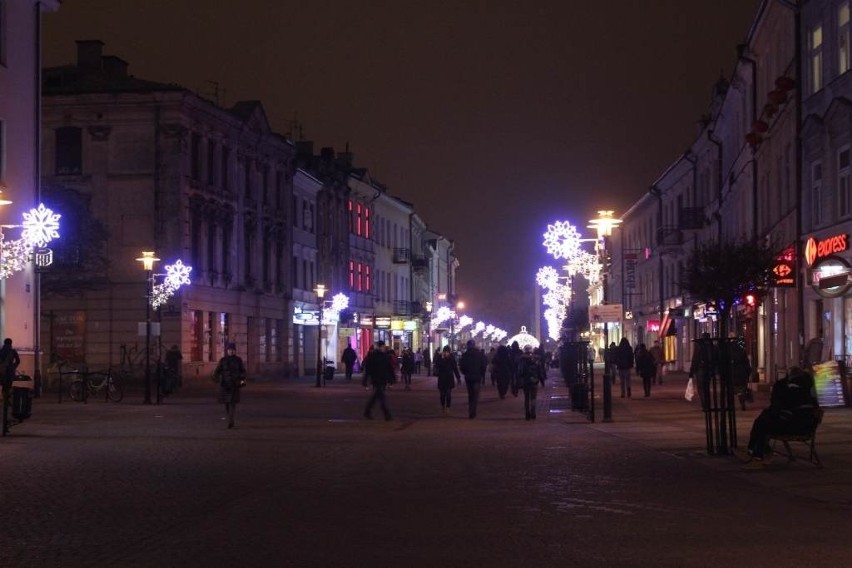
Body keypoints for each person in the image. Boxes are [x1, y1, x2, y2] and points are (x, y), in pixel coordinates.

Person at [741, 367, 820, 468]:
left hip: (795, 426)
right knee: (763, 420)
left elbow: (783, 407)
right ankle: (756, 450)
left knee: (763, 423)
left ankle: (757, 451)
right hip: (803, 425)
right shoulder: (808, 389)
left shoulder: (790, 389)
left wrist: (775, 412)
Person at [214, 343, 246, 429]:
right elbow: (217, 371)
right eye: (229, 350)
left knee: (232, 403)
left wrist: (242, 381)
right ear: (227, 351)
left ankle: (231, 420)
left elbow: (243, 371)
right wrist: (216, 379)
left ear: (235, 351)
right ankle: (230, 417)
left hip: (235, 384)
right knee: (227, 403)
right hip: (225, 384)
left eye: (232, 350)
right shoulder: (223, 360)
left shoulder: (238, 360)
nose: (231, 351)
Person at [362, 341, 395, 420]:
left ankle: (367, 411)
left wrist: (365, 380)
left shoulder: (375, 356)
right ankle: (387, 415)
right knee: (381, 396)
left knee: (377, 396)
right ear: (382, 346)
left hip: (379, 379)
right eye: (383, 346)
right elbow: (389, 369)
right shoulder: (381, 356)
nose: (383, 348)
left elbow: (389, 368)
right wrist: (392, 379)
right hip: (379, 379)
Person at [459, 339, 487, 419]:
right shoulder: (479, 354)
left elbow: (462, 366)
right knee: (475, 395)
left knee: (470, 394)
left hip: (468, 377)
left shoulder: (465, 355)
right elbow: (483, 365)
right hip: (477, 377)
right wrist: (482, 373)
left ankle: (471, 411)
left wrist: (465, 373)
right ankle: (472, 411)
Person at [689, 332, 717, 410]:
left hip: (700, 369)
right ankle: (707, 403)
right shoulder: (713, 347)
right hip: (709, 369)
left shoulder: (699, 346)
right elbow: (716, 359)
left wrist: (691, 371)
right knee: (706, 387)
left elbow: (695, 359)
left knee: (701, 388)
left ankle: (704, 404)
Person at [518, 345, 546, 420]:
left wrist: (520, 378)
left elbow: (520, 371)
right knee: (533, 397)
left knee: (526, 398)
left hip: (526, 380)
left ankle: (527, 413)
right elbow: (540, 370)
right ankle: (533, 412)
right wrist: (541, 379)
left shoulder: (522, 360)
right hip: (534, 380)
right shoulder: (536, 359)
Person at [0, 338, 21, 435]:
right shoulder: (12, 351)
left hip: (1, 373)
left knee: (3, 385)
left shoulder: (1, 351)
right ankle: (6, 398)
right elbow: (18, 361)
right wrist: (13, 367)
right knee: (7, 386)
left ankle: (4, 397)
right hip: (9, 373)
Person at [435, 345, 461, 414]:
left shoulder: (452, 359)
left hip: (449, 378)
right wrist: (441, 359)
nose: (446, 353)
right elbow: (436, 366)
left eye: (447, 352)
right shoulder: (440, 358)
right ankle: (443, 406)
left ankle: (448, 407)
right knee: (442, 394)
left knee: (448, 394)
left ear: (449, 352)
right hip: (441, 378)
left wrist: (458, 378)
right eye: (445, 352)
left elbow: (455, 368)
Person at [729, 337, 752, 409]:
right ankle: (742, 402)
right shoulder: (742, 351)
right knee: (742, 388)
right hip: (742, 372)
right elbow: (746, 362)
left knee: (734, 388)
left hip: (733, 372)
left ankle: (732, 405)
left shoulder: (730, 352)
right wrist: (748, 372)